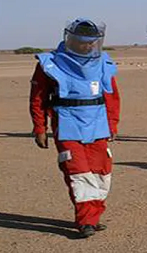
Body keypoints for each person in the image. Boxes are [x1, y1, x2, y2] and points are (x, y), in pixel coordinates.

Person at [29, 18, 121, 239]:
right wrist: (39, 127)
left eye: (91, 42)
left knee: (101, 173)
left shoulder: (103, 63)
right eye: (82, 42)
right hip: (68, 124)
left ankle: (93, 215)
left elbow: (111, 96)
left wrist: (112, 124)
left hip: (98, 125)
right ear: (71, 39)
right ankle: (85, 220)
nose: (87, 46)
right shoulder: (49, 63)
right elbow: (38, 98)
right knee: (78, 172)